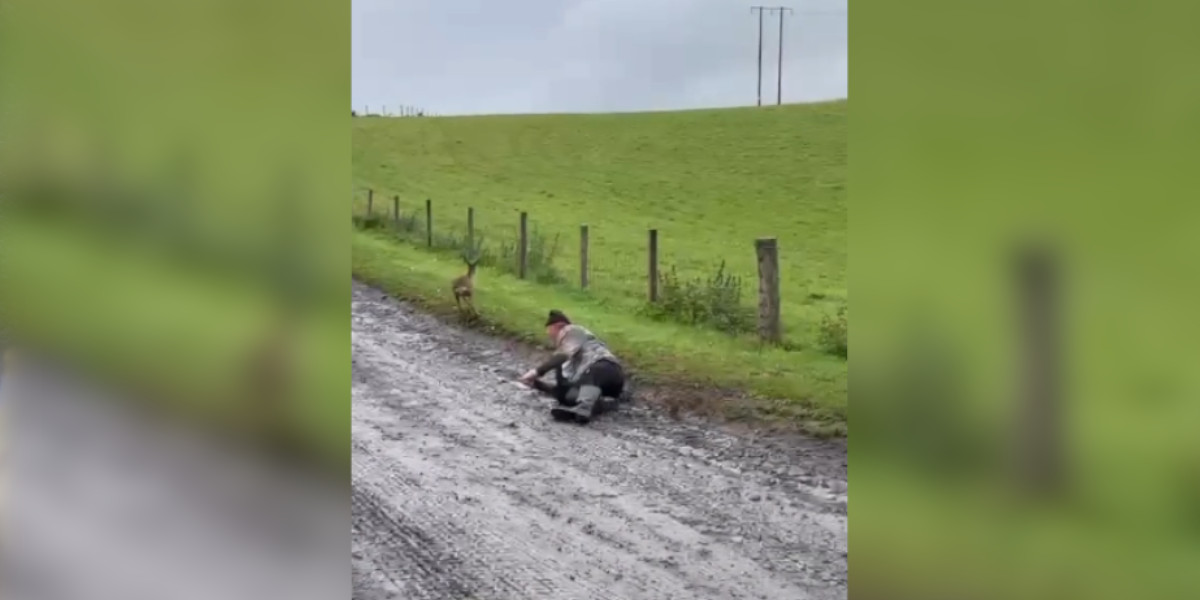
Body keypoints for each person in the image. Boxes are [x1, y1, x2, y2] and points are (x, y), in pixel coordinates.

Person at [519, 310, 626, 424]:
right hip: (598, 387)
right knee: (568, 396)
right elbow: (562, 390)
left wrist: (537, 372)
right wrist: (537, 384)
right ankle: (602, 405)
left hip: (609, 370)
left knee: (592, 370)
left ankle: (584, 408)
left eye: (551, 333)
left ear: (559, 327)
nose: (552, 339)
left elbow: (561, 356)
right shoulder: (572, 360)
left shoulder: (573, 330)